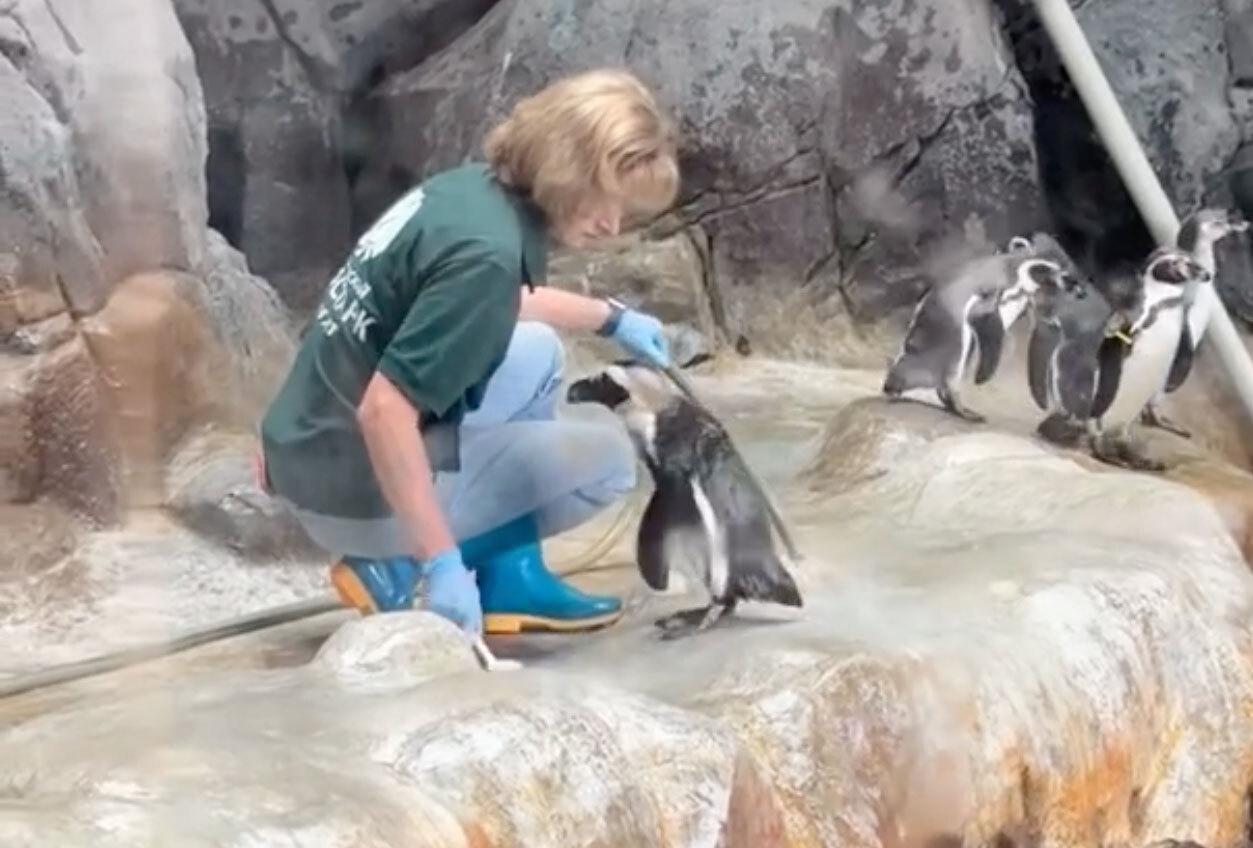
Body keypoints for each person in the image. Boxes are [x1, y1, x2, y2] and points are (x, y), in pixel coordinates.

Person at [255, 68, 680, 637]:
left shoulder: (472, 192)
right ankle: (396, 564)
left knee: (536, 353)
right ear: (565, 169)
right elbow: (384, 412)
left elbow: (487, 302)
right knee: (605, 461)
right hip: (350, 488)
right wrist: (440, 561)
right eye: (604, 199)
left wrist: (612, 318)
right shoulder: (488, 255)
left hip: (308, 448)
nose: (612, 223)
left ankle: (509, 579)